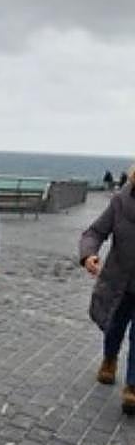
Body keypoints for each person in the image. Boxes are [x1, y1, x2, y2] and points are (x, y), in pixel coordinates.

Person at [80, 165, 135, 413]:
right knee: (114, 325)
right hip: (119, 280)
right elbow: (95, 232)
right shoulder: (120, 202)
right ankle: (109, 359)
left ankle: (133, 386)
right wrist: (89, 254)